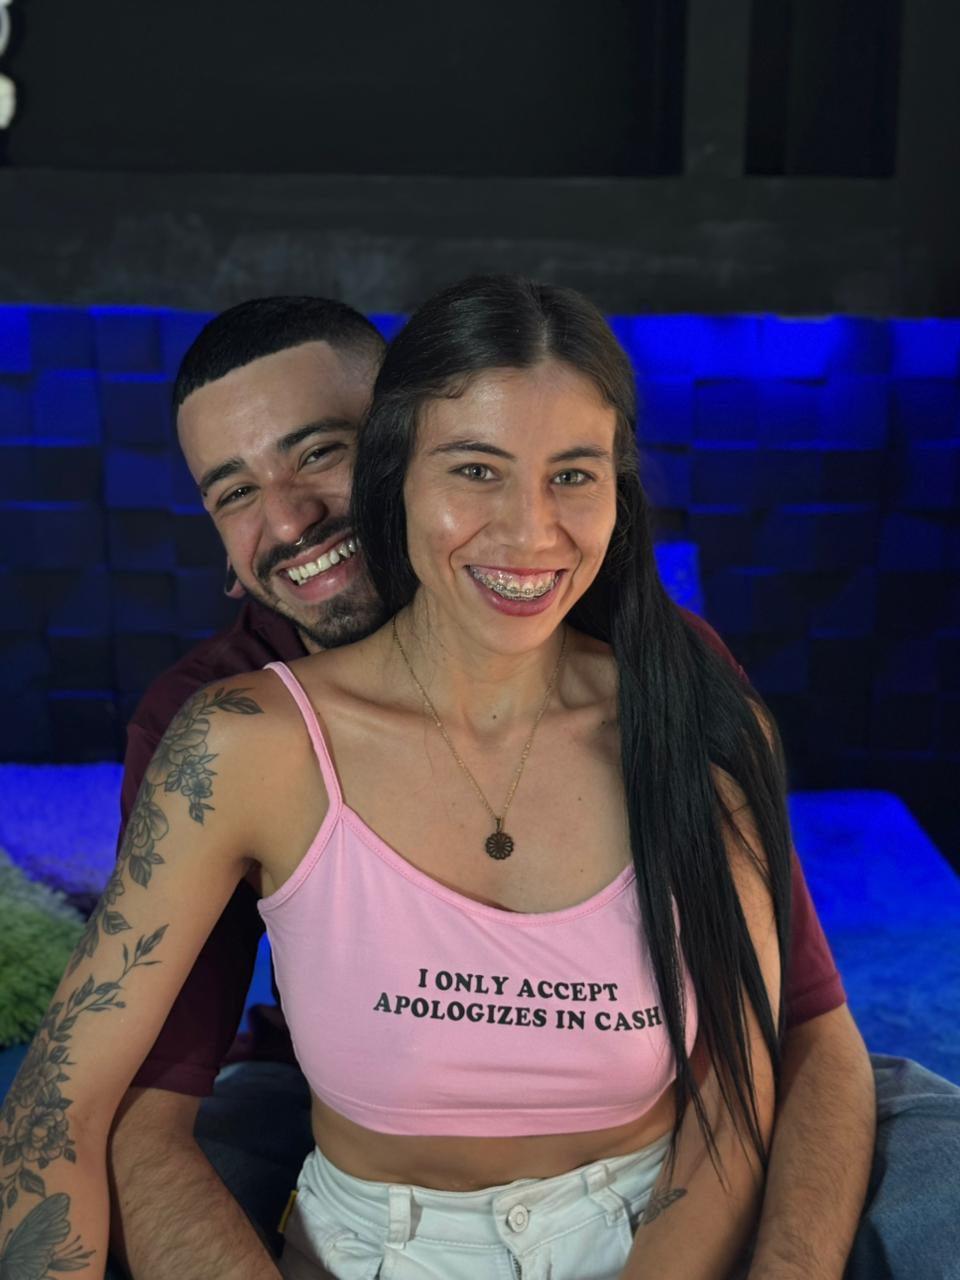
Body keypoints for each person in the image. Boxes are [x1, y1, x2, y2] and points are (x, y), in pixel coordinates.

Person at [0, 278, 878, 1280]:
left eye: (318, 452)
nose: (289, 519)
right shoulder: (221, 730)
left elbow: (776, 1041)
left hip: (644, 1184)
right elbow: (100, 1107)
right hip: (341, 1143)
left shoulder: (680, 690)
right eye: (235, 490)